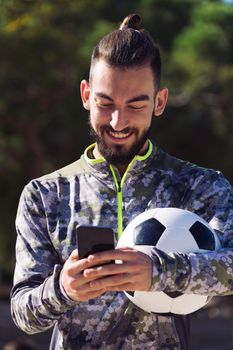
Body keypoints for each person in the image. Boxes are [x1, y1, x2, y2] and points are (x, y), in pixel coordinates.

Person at [11, 13, 233, 350]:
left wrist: (160, 270)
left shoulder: (202, 186)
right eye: (105, 103)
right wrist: (63, 289)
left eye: (135, 104)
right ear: (86, 95)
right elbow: (23, 314)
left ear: (159, 102)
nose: (118, 121)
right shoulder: (44, 195)